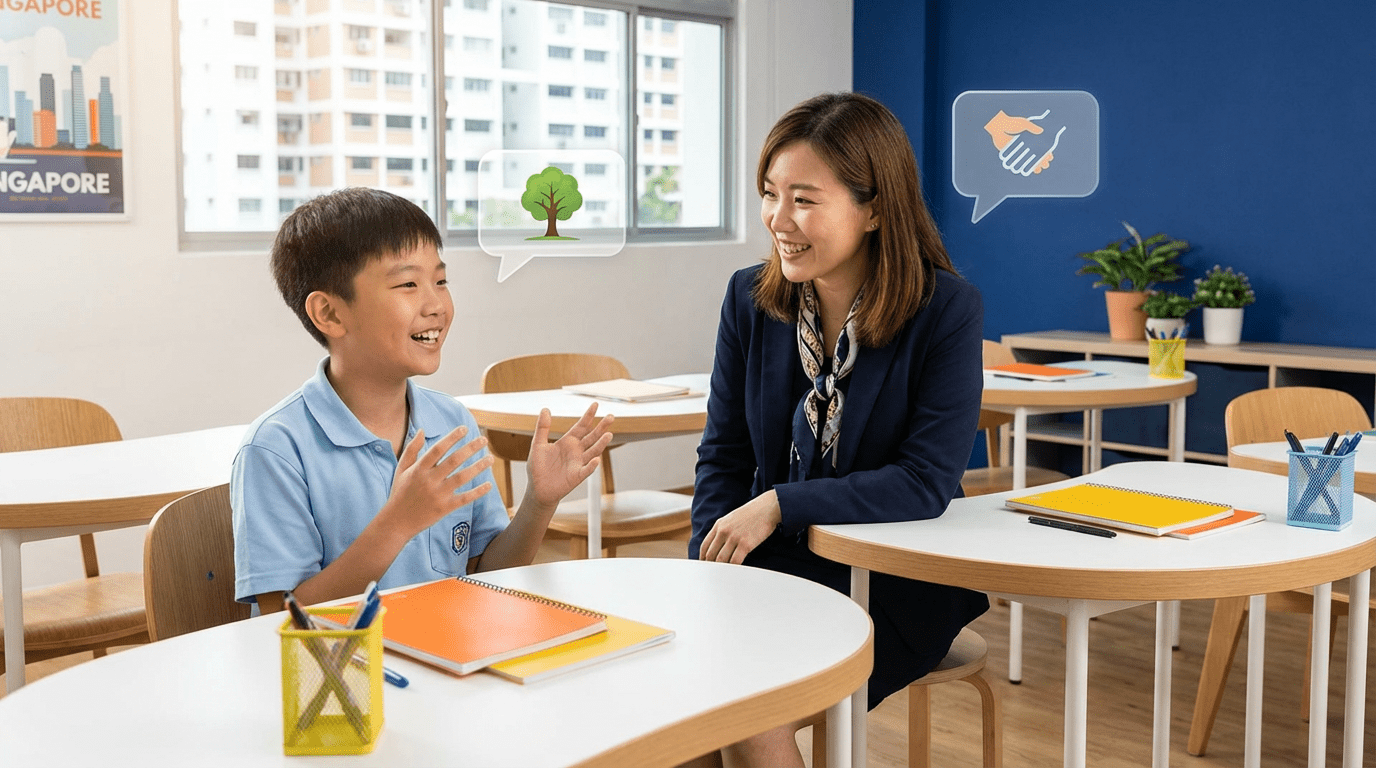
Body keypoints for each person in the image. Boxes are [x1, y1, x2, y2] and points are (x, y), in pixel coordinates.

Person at [690, 92, 988, 767]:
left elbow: (924, 482)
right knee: (677, 705)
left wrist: (779, 503)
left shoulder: (945, 309)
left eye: (804, 199)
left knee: (744, 704)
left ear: (874, 207)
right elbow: (723, 455)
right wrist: (707, 569)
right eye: (771, 194)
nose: (778, 220)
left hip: (899, 575)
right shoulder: (747, 297)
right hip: (777, 567)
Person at [232, 187, 614, 614]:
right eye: (408, 284)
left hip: (451, 659)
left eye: (441, 280)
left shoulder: (451, 421)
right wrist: (396, 525)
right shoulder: (277, 449)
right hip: (350, 674)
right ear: (331, 314)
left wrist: (539, 503)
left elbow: (489, 575)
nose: (436, 305)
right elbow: (280, 618)